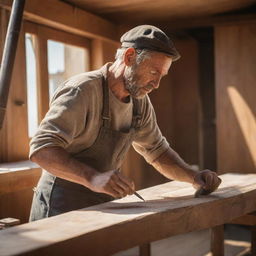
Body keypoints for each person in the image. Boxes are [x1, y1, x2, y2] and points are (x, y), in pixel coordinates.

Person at [29, 25, 221, 221]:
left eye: (161, 76)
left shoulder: (140, 102)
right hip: (60, 205)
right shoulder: (82, 90)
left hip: (102, 203)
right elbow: (41, 149)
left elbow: (157, 151)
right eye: (153, 73)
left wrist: (193, 176)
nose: (156, 85)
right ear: (129, 57)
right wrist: (93, 177)